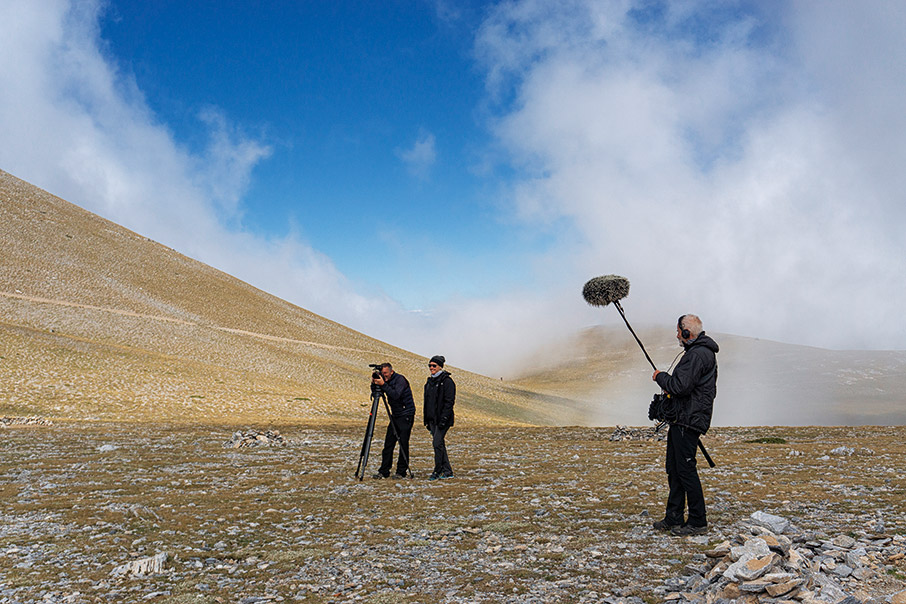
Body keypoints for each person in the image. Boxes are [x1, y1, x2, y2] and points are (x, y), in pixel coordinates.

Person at [651, 314, 718, 536]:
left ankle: (698, 521)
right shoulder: (699, 353)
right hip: (684, 419)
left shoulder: (697, 355)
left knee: (685, 470)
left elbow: (679, 387)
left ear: (687, 332)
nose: (677, 335)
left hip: (687, 420)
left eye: (679, 331)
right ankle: (674, 517)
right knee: (675, 468)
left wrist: (660, 377)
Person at [371, 362, 415, 479]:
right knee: (388, 444)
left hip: (406, 414)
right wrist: (374, 383)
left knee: (403, 443)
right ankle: (384, 471)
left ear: (391, 371)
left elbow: (395, 395)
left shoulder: (400, 380)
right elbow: (376, 393)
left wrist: (383, 384)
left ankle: (401, 472)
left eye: (386, 373)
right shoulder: (385, 380)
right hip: (395, 415)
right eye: (382, 374)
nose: (384, 376)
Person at [423, 355, 455, 480]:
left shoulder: (447, 381)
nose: (431, 368)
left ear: (440, 366)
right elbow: (427, 402)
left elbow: (449, 402)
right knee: (439, 444)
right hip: (432, 420)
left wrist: (444, 420)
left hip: (442, 420)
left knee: (437, 443)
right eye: (430, 366)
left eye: (434, 366)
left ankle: (437, 470)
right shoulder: (429, 381)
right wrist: (426, 420)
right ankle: (447, 471)